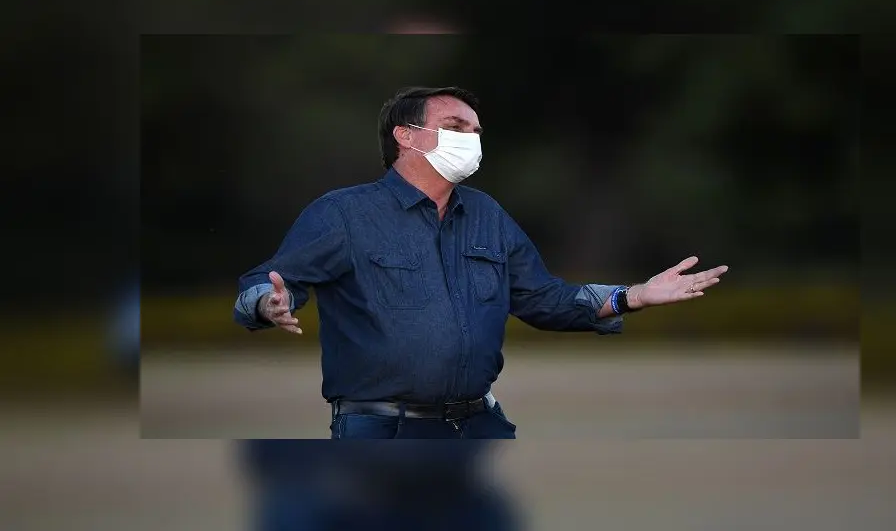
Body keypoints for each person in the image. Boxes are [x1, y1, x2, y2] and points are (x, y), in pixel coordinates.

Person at [233, 86, 728, 439]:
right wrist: (267, 304)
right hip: (382, 430)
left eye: (475, 129)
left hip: (478, 426)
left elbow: (543, 298)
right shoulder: (344, 213)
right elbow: (270, 282)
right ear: (407, 137)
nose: (471, 138)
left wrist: (632, 296)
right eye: (455, 127)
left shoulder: (487, 214)